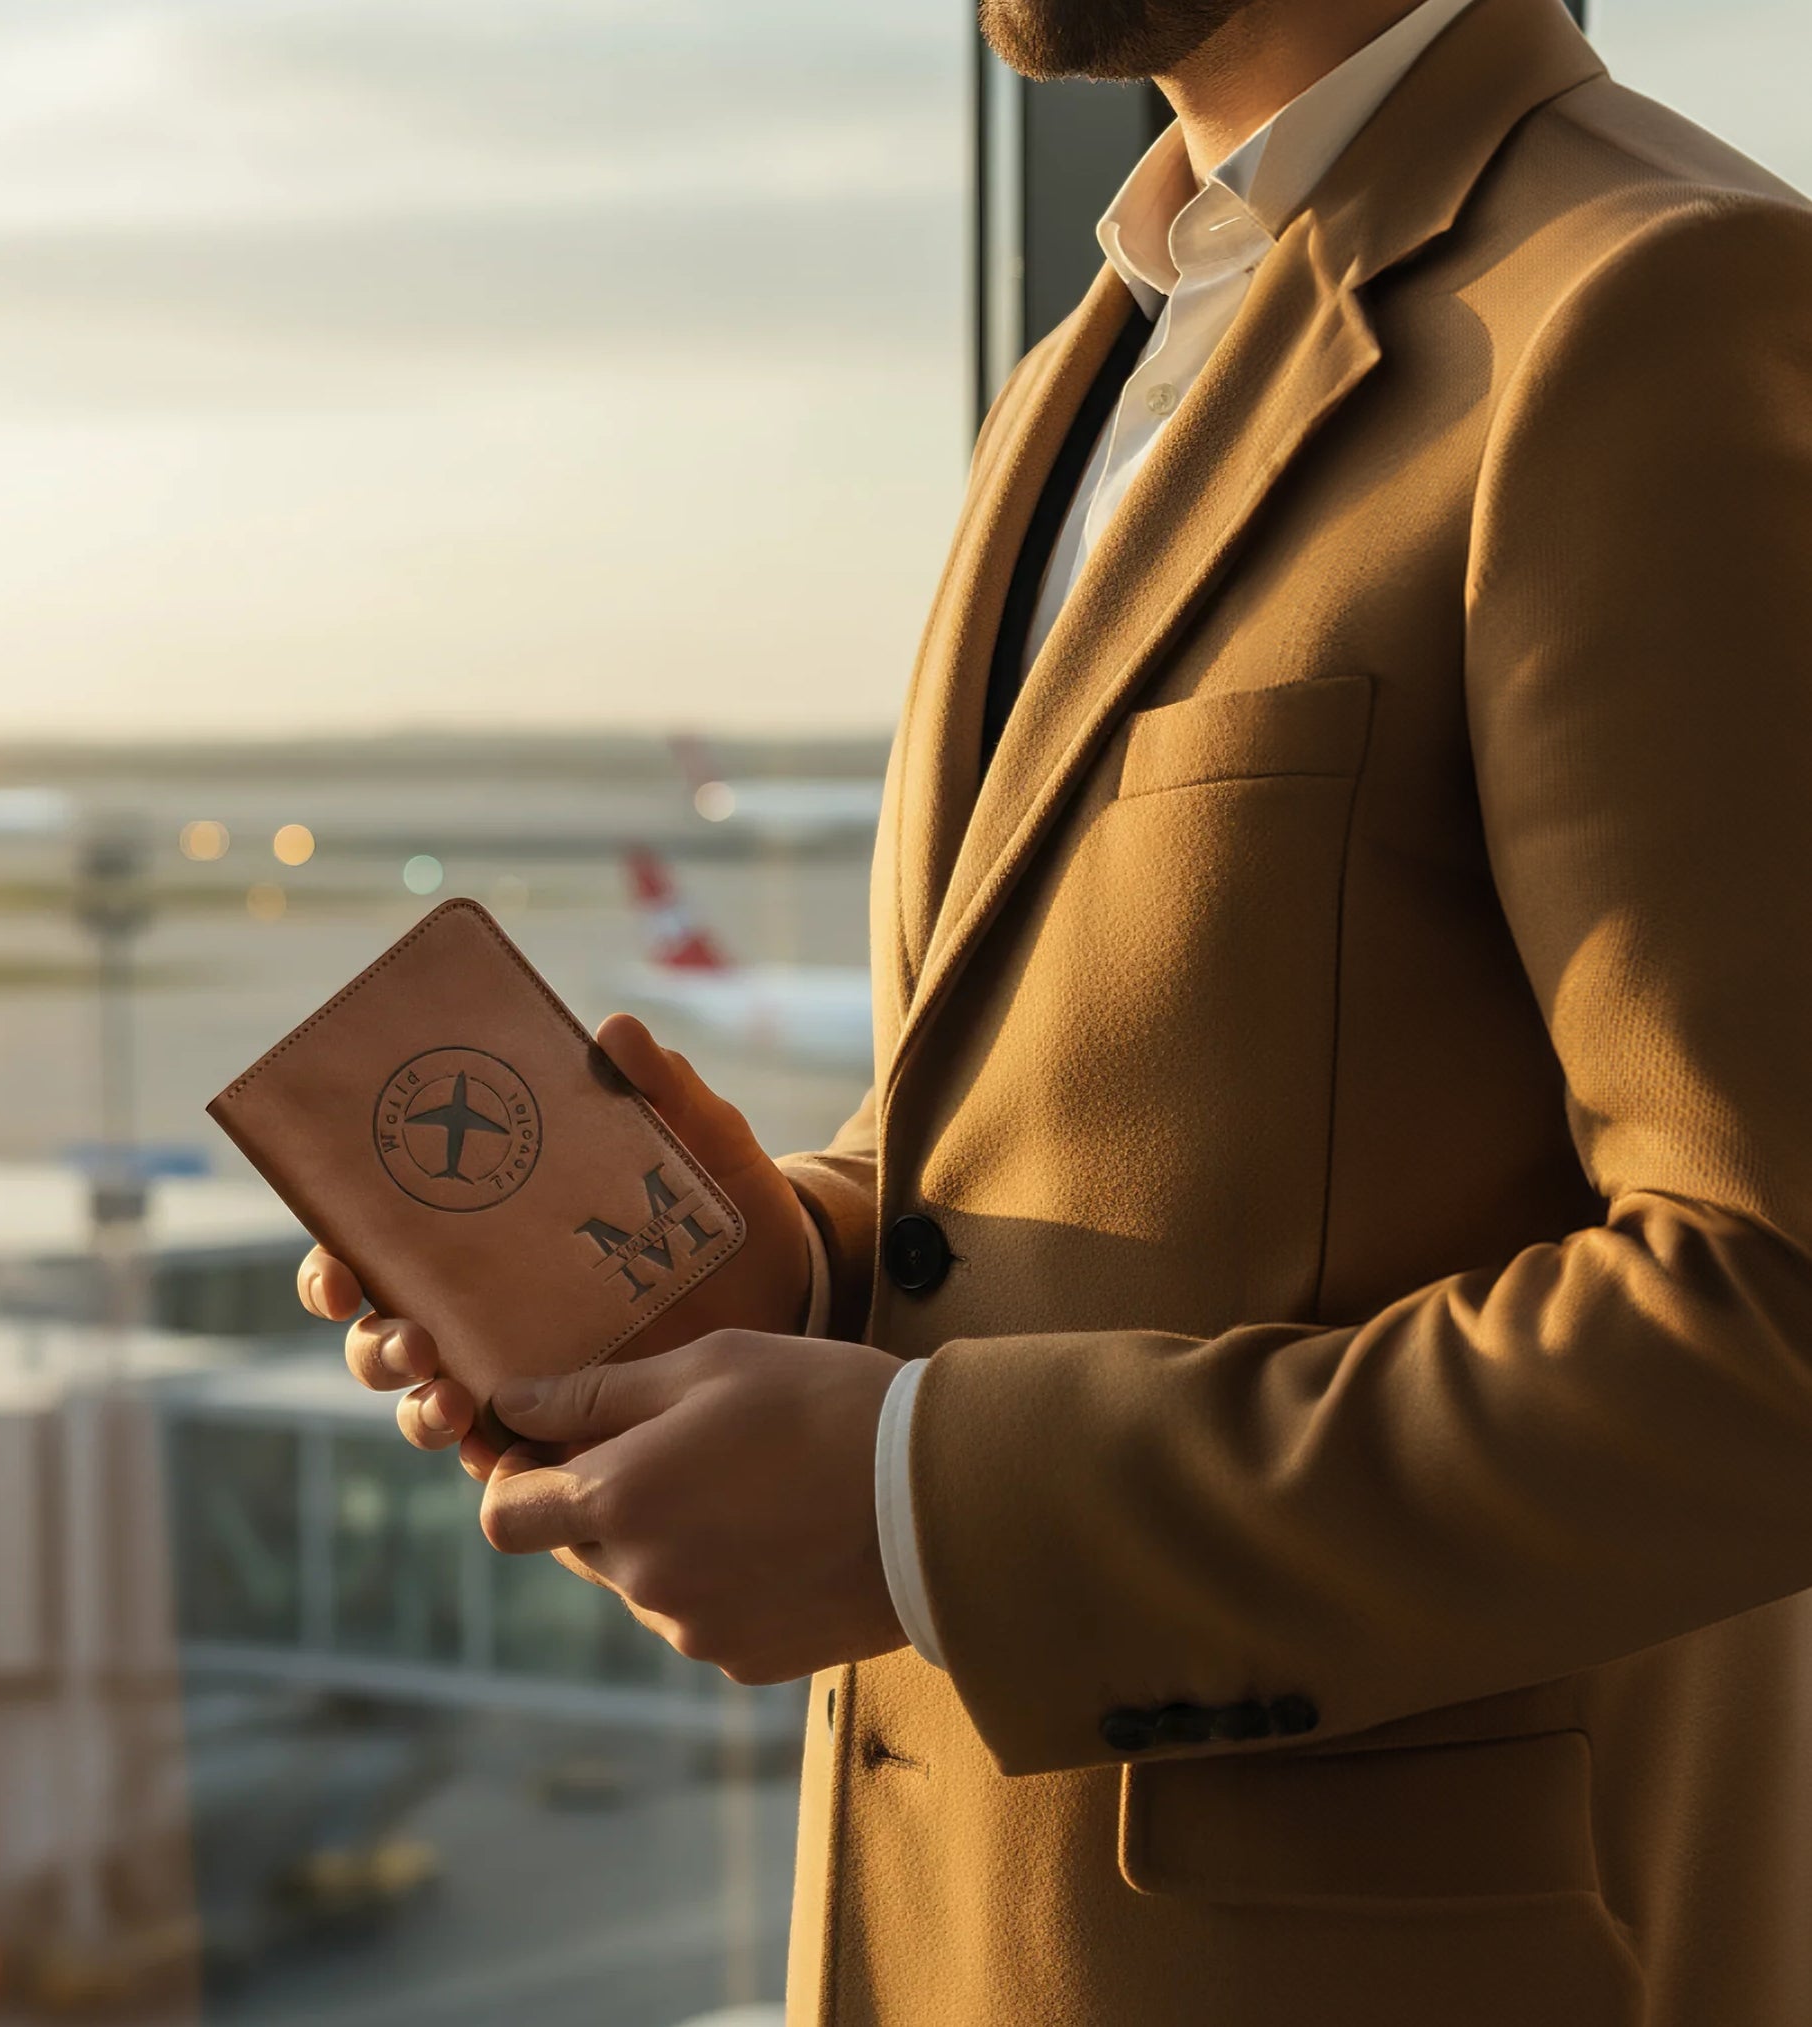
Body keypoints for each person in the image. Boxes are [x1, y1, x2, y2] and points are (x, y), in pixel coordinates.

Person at [298, 0, 1812, 2017]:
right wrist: (809, 1263)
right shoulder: (1088, 366)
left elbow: (1774, 1324)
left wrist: (927, 1510)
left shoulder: (1657, 302)